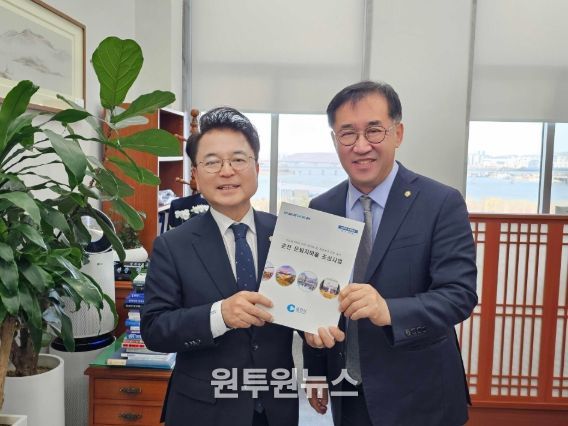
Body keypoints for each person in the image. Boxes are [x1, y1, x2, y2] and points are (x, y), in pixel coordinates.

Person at [302, 81, 478, 426]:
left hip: (421, 394)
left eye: (374, 130)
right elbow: (311, 301)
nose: (361, 146)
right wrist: (316, 371)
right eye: (347, 134)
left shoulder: (440, 203)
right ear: (335, 140)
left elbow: (459, 295)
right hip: (349, 390)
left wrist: (389, 310)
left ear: (398, 133)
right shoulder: (322, 208)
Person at [141, 107, 298, 426]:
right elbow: (155, 330)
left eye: (238, 159)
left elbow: (304, 308)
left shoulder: (288, 235)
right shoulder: (172, 245)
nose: (227, 171)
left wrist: (319, 333)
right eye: (212, 162)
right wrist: (219, 315)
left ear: (257, 168)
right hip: (204, 410)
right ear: (196, 175)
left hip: (276, 408)